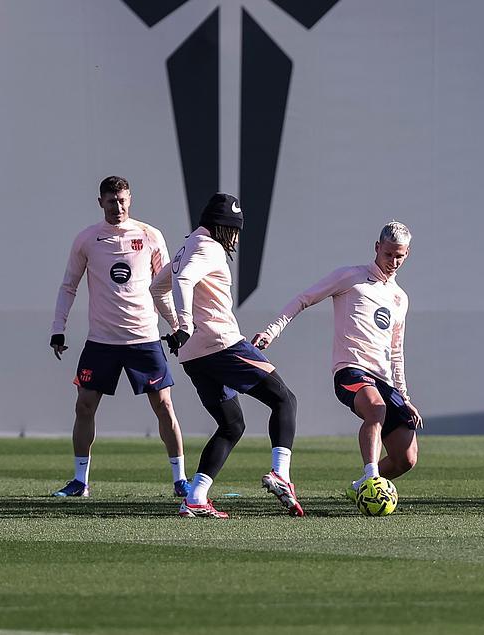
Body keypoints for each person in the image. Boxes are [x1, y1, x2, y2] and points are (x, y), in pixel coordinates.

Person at [150, 193, 302, 519]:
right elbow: (184, 280)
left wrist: (179, 328)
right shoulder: (209, 248)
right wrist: (184, 325)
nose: (235, 238)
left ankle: (195, 497)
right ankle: (281, 474)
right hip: (223, 345)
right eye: (234, 230)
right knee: (285, 399)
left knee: (232, 424)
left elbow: (157, 288)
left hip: (194, 356)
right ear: (222, 227)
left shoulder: (186, 247)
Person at [253, 221, 422, 502]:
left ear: (407, 254)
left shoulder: (400, 298)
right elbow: (304, 299)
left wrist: (404, 397)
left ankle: (358, 487)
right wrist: (272, 331)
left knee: (406, 458)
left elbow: (396, 350)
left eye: (399, 256)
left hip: (384, 381)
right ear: (377, 247)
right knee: (376, 409)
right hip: (351, 372)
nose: (393, 262)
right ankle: (371, 478)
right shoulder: (350, 277)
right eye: (388, 254)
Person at [50, 176, 189, 498]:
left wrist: (177, 325)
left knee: (164, 405)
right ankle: (80, 481)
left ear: (130, 199)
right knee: (84, 406)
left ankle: (180, 479)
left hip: (144, 339)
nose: (118, 207)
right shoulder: (87, 239)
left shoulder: (150, 235)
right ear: (100, 202)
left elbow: (164, 286)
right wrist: (58, 327)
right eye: (111, 201)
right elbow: (68, 286)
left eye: (122, 200)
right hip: (101, 341)